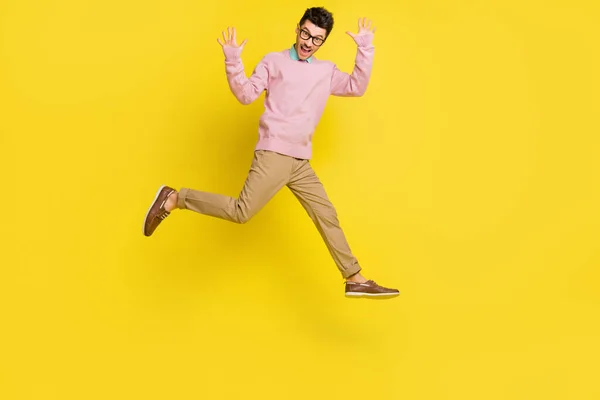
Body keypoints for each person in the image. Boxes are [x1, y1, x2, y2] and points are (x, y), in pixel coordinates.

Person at [143, 7, 399, 298]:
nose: (308, 43)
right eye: (305, 34)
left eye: (316, 39)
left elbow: (356, 86)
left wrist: (365, 49)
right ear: (297, 29)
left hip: (300, 161)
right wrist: (233, 60)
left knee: (326, 214)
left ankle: (354, 278)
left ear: (323, 42)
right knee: (241, 212)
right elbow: (246, 94)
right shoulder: (274, 62)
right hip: (274, 152)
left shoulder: (325, 71)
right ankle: (175, 198)